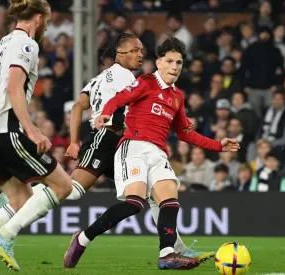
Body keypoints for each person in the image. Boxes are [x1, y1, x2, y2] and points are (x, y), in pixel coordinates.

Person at [0, 33, 213, 260]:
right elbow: (127, 104)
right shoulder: (126, 77)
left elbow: (78, 106)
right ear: (121, 53)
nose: (140, 55)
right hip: (107, 139)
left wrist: (74, 141)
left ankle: (174, 249)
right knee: (72, 189)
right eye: (135, 51)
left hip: (119, 144)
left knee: (153, 195)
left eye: (142, 51)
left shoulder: (100, 78)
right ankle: (15, 205)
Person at [64, 38, 240, 270]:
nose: (174, 67)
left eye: (179, 62)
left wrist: (219, 145)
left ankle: (167, 253)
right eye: (169, 61)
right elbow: (119, 99)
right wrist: (105, 114)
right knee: (135, 203)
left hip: (158, 152)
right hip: (133, 147)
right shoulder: (146, 82)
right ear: (158, 62)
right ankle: (83, 238)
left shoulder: (177, 97)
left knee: (169, 197)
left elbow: (186, 134)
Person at [0, 1, 76, 274]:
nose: (46, 25)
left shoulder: (4, 42)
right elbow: (13, 87)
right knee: (63, 186)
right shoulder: (27, 44)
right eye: (46, 20)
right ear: (38, 17)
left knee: (20, 201)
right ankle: (6, 235)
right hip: (4, 133)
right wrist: (31, 130)